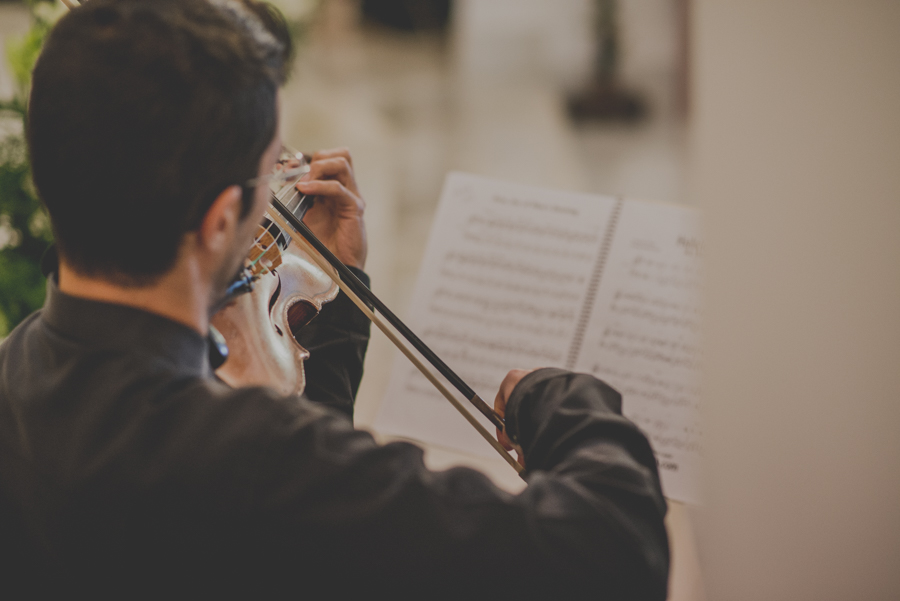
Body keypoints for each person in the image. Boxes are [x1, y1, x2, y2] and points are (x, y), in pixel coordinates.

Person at [0, 0, 669, 597]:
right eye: (272, 171)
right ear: (218, 221)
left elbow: (294, 538)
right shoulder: (258, 461)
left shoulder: (17, 378)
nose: (283, 192)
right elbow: (614, 547)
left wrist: (337, 298)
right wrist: (557, 402)